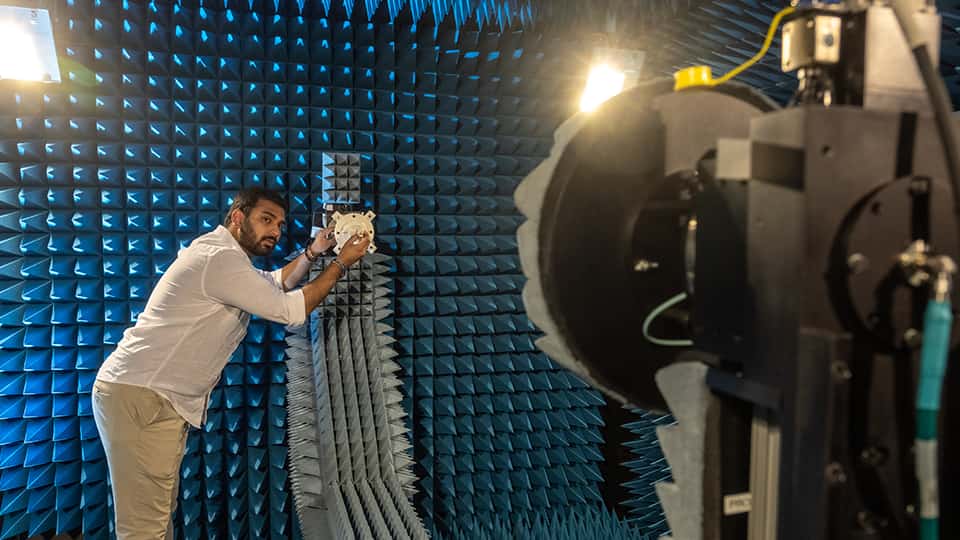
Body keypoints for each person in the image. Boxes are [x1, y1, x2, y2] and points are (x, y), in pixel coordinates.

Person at [91, 187, 371, 539]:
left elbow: (270, 284)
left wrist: (313, 252)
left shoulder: (226, 257)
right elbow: (290, 310)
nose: (275, 231)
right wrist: (341, 263)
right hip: (144, 398)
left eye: (280, 225)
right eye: (266, 220)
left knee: (157, 517)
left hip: (149, 397)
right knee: (144, 529)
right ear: (238, 217)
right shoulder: (219, 259)